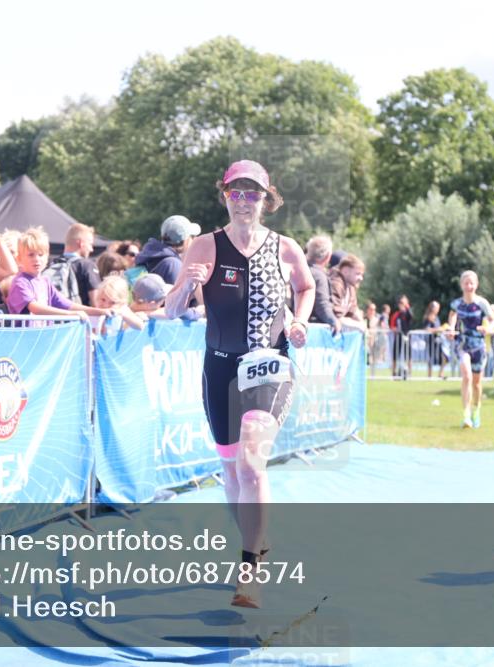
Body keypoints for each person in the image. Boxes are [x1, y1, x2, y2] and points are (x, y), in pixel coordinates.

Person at [164, 159, 314, 609]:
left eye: (254, 194)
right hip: (220, 367)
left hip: (269, 365)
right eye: (237, 193)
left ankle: (250, 568)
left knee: (251, 461)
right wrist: (186, 288)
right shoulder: (205, 247)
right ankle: (256, 540)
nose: (244, 201)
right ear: (224, 196)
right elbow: (171, 312)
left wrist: (300, 322)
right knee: (231, 470)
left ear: (267, 201)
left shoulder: (285, 248)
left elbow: (306, 287)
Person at [6, 227, 113, 326]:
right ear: (18, 258)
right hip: (25, 341)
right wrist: (70, 315)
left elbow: (67, 304)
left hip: (43, 339)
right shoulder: (20, 282)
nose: (37, 259)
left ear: (47, 257)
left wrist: (100, 312)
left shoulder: (45, 282)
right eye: (31, 255)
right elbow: (35, 308)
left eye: (41, 254)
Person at [447, 271, 494, 428]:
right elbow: (453, 315)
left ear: (476, 285)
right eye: (466, 283)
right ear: (461, 285)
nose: (469, 286)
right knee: (466, 376)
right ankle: (466, 415)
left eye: (471, 283)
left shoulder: (482, 303)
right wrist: (451, 329)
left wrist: (488, 329)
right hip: (463, 344)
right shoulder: (456, 304)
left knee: (476, 383)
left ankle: (476, 410)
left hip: (479, 346)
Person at [136, 215, 201, 285]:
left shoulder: (149, 257)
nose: (193, 239)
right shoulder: (173, 264)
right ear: (185, 240)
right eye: (192, 236)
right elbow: (179, 295)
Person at [304, 235, 341, 334]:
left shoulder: (300, 270)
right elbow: (321, 306)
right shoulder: (319, 276)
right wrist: (334, 321)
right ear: (328, 256)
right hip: (313, 333)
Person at [329, 254, 366, 331]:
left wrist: (362, 323)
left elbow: (353, 311)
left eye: (362, 275)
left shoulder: (351, 287)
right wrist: (359, 326)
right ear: (345, 271)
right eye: (358, 274)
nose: (361, 278)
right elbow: (336, 315)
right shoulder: (336, 284)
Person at [422, 300, 449, 379]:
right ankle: (429, 375)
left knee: (445, 357)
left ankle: (441, 374)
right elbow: (427, 329)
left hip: (438, 340)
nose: (438, 309)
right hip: (431, 341)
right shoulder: (428, 317)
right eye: (437, 308)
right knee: (430, 358)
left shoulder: (436, 318)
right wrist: (438, 329)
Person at [390, 294, 412, 379]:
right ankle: (393, 372)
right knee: (395, 354)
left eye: (403, 303)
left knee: (408, 355)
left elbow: (411, 316)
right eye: (400, 303)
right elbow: (392, 325)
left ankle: (409, 373)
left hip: (407, 336)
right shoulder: (396, 314)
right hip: (398, 336)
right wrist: (394, 329)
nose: (401, 305)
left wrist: (407, 305)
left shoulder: (408, 312)